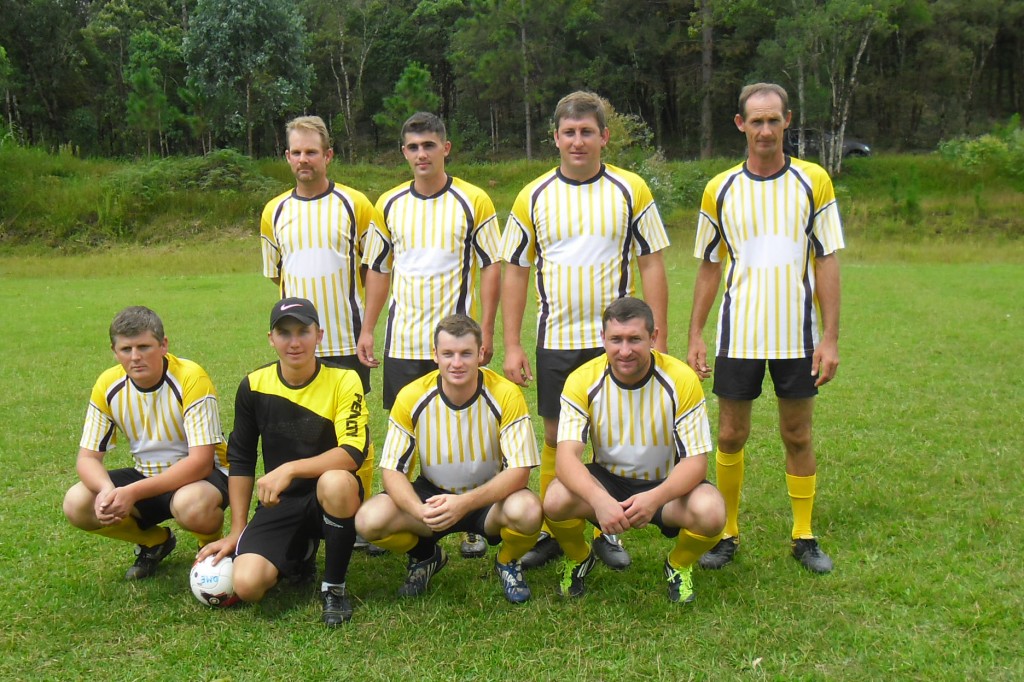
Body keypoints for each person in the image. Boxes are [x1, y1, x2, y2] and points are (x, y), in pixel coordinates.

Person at [501, 91, 671, 571]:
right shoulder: (531, 195)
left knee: (609, 438)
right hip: (556, 338)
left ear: (604, 138)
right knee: (557, 438)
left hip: (617, 346)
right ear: (555, 138)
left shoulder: (630, 189)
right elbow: (515, 269)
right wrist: (512, 343)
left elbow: (652, 262)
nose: (578, 141)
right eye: (569, 133)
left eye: (587, 132)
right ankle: (559, 530)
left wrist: (656, 335)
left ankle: (606, 528)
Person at [686, 83, 844, 574]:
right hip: (740, 337)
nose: (766, 130)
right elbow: (710, 266)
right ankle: (727, 532)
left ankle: (803, 535)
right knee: (731, 435)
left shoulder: (813, 180)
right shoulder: (721, 188)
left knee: (797, 434)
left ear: (787, 121)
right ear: (740, 125)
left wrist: (831, 338)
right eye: (756, 121)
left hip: (798, 337)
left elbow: (827, 261)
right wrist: (695, 334)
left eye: (774, 120)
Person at [358, 111, 502, 560]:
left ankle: (476, 522)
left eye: (429, 145)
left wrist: (487, 331)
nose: (421, 154)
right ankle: (421, 522)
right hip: (404, 341)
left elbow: (492, 266)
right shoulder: (388, 203)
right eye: (413, 147)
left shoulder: (473, 199)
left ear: (446, 147)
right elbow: (378, 270)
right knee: (414, 433)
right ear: (403, 152)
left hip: (457, 345)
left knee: (474, 429)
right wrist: (367, 327)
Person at [197, 298, 370, 626]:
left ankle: (333, 588)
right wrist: (236, 529)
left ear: (319, 335)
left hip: (333, 494)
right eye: (284, 333)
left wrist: (288, 469)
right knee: (247, 585)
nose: (294, 342)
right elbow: (242, 459)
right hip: (281, 501)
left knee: (335, 481)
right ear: (270, 338)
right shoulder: (253, 385)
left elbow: (351, 454)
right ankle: (300, 554)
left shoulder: (345, 380)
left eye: (303, 332)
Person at [543, 297, 725, 602]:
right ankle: (578, 557)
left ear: (653, 338)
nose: (624, 350)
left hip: (665, 484)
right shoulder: (582, 380)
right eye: (615, 339)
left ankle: (678, 565)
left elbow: (695, 462)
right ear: (603, 338)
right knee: (555, 499)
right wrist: (600, 500)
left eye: (634, 339)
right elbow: (566, 458)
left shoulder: (681, 379)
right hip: (608, 480)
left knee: (711, 511)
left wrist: (654, 499)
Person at [356, 315, 542, 603]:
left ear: (481, 354)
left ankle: (508, 560)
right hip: (432, 495)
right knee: (369, 520)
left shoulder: (506, 394)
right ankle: (425, 556)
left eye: (466, 353)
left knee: (528, 511)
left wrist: (465, 504)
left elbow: (519, 471)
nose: (457, 363)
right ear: (435, 355)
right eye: (448, 354)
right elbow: (392, 471)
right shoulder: (411, 395)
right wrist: (421, 513)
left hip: (487, 497)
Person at [261, 114, 383, 553]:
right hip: (299, 347)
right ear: (287, 157)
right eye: (296, 152)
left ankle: (355, 519)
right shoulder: (273, 211)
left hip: (345, 341)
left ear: (328, 155)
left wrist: (367, 330)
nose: (303, 159)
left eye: (312, 151)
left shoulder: (356, 204)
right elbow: (278, 277)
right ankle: (310, 518)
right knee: (302, 434)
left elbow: (375, 272)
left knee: (353, 435)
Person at [63, 306, 229, 580]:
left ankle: (209, 546)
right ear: (114, 352)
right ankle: (155, 541)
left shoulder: (191, 377)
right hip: (147, 475)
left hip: (204, 476)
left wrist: (132, 493)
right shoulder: (108, 384)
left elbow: (200, 462)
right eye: (126, 349)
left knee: (191, 504)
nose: (136, 357)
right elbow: (87, 458)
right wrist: (107, 491)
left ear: (163, 345)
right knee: (77, 502)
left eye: (144, 346)